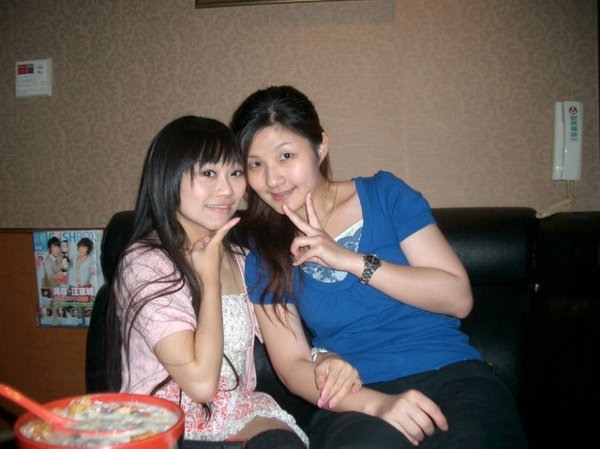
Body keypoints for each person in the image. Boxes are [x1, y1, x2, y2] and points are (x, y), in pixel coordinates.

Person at [229, 85, 528, 449]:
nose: (272, 179)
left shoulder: (385, 195)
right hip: (355, 397)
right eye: (255, 164)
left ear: (320, 147)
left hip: (452, 376)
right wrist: (376, 404)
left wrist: (350, 260)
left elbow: (457, 298)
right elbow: (292, 366)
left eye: (286, 156)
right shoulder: (265, 251)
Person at [104, 115, 357, 448]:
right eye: (208, 173)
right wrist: (209, 280)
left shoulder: (243, 258)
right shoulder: (145, 263)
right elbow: (200, 384)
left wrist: (322, 358)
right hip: (161, 426)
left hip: (235, 413)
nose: (227, 190)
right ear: (169, 177)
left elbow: (286, 338)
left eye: (236, 173)